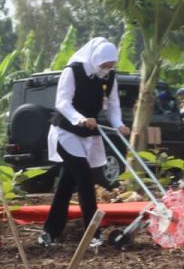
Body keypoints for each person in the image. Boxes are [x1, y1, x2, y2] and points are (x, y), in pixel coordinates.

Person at [40, 37, 131, 247]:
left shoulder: (110, 76)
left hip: (88, 134)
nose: (107, 69)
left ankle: (50, 233)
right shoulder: (73, 71)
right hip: (66, 132)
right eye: (104, 65)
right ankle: (93, 233)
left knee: (66, 185)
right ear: (95, 59)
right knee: (85, 180)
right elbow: (62, 102)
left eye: (111, 65)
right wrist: (80, 119)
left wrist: (119, 125)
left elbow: (114, 105)